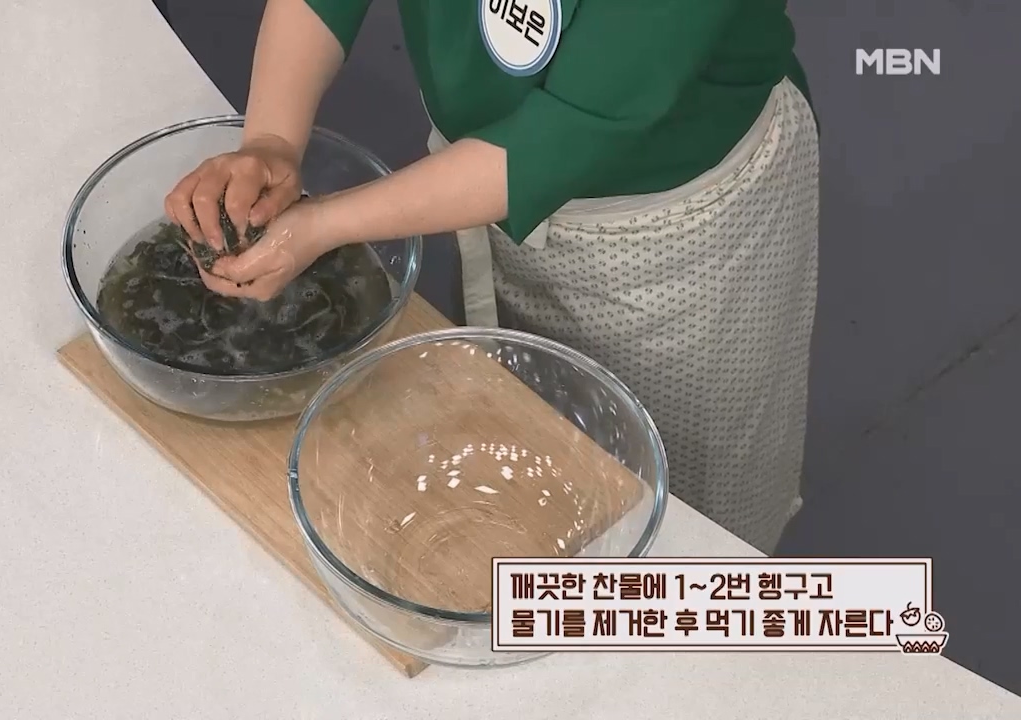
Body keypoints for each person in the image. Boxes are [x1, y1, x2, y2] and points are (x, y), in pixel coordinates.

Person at [164, 0, 819, 554]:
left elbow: (563, 135)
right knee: (528, 429)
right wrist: (271, 143)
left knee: (672, 501)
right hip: (483, 175)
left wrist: (322, 226)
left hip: (669, 231)